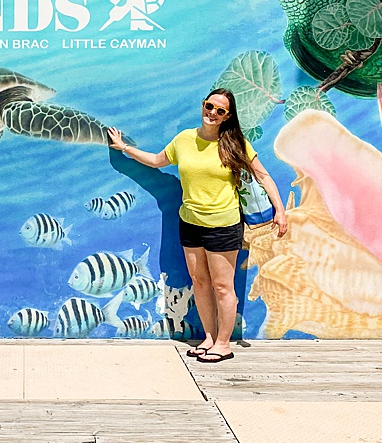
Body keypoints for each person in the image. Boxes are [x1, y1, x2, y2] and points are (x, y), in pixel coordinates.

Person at [107, 87, 288, 363]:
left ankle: (224, 344)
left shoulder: (235, 144)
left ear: (228, 116)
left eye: (220, 110)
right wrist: (125, 148)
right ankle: (209, 338)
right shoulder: (184, 140)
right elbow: (157, 161)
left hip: (224, 226)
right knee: (200, 283)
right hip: (190, 223)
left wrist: (280, 210)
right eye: (209, 106)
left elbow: (263, 176)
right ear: (202, 106)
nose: (212, 113)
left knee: (223, 287)